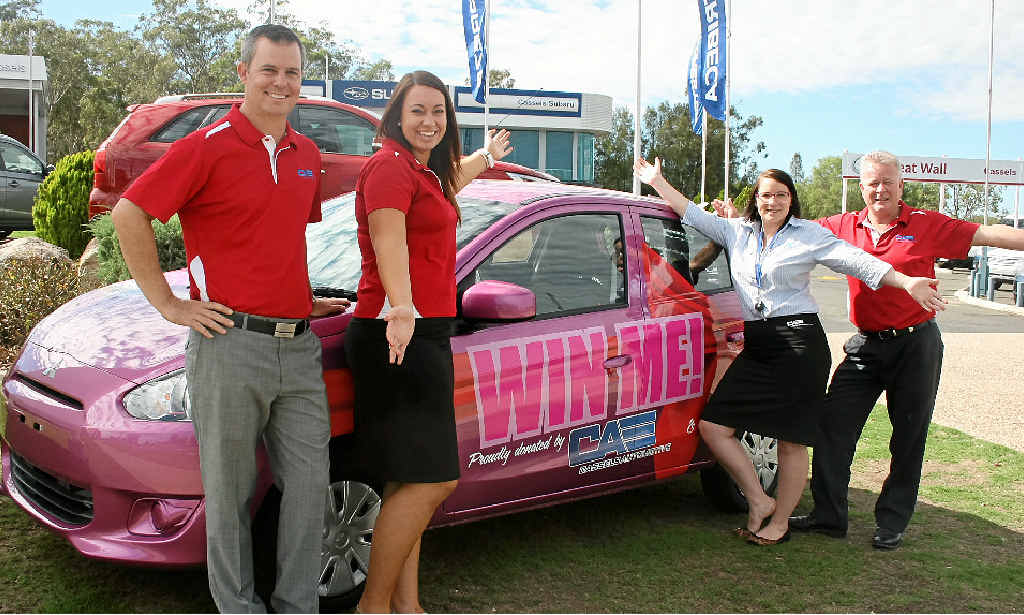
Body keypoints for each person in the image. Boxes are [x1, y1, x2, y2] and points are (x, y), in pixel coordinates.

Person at [111, 25, 348, 613]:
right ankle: (239, 607)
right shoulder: (206, 146)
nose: (281, 83)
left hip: (297, 348)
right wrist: (169, 305)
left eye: (292, 73)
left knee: (309, 487)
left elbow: (278, 239)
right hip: (228, 344)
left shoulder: (306, 154)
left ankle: (297, 606)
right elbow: (129, 212)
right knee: (230, 493)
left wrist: (302, 298)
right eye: (269, 70)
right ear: (244, 73)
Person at [634, 158, 944, 545]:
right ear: (756, 199)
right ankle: (759, 500)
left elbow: (858, 262)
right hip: (759, 345)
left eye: (781, 195)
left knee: (790, 440)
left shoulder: (808, 235)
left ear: (791, 200)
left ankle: (780, 522)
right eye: (766, 195)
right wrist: (657, 180)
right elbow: (690, 213)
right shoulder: (736, 231)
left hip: (799, 345)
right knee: (714, 427)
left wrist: (905, 282)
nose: (773, 202)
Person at [788, 150, 1024, 550]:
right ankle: (828, 516)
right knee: (832, 428)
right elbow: (789, 229)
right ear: (861, 188)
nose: (880, 190)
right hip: (865, 346)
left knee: (908, 437)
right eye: (872, 183)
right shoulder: (841, 226)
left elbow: (987, 234)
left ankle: (891, 521)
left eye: (887, 182)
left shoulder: (925, 223)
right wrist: (736, 219)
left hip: (916, 345)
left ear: (901, 186)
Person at [344, 70, 512, 614]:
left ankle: (407, 607)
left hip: (421, 329)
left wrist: (485, 157)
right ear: (397, 115)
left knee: (408, 480)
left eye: (438, 111)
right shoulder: (388, 167)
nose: (429, 121)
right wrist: (401, 307)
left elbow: (448, 184)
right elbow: (388, 239)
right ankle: (373, 607)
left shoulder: (422, 171)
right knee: (434, 480)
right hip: (399, 332)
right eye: (417, 110)